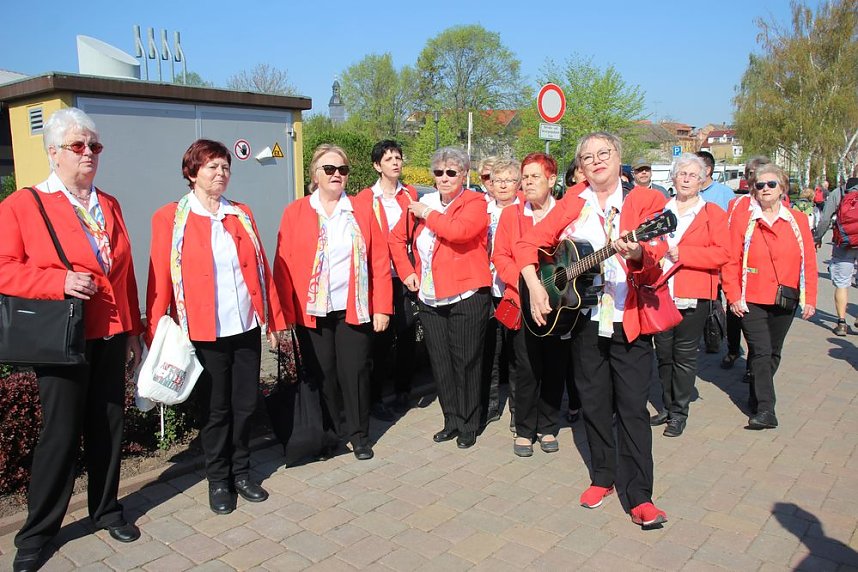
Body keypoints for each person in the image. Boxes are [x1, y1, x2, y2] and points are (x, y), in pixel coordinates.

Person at [0, 108, 143, 572]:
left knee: (108, 427)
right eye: (79, 146)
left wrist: (135, 330)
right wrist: (57, 282)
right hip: (62, 335)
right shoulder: (23, 205)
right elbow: (4, 268)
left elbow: (125, 272)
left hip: (111, 331)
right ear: (54, 152)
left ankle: (106, 510)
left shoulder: (110, 203)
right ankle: (37, 533)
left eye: (94, 146)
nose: (89, 154)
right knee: (59, 436)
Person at [516, 132, 669, 528]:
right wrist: (536, 287)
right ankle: (603, 476)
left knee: (632, 408)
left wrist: (637, 252)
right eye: (588, 157)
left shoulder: (646, 201)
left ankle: (640, 496)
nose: (597, 161)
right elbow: (529, 243)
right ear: (580, 167)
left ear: (620, 158)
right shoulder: (574, 202)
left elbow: (656, 257)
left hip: (628, 317)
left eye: (605, 153)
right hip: (584, 320)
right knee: (595, 404)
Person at [147, 139, 286, 515]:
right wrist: (154, 326)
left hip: (243, 325)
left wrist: (273, 318)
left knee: (244, 405)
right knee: (215, 409)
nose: (221, 173)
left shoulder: (240, 212)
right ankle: (218, 480)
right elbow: (159, 275)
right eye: (212, 166)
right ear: (192, 172)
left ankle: (242, 473)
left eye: (225, 166)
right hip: (202, 331)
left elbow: (260, 269)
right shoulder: (170, 217)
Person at [274, 144, 392, 461]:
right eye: (329, 169)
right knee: (322, 374)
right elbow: (281, 264)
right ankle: (330, 434)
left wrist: (381, 306)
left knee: (355, 373)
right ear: (315, 174)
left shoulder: (361, 211)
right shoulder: (296, 212)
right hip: (311, 312)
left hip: (353, 307)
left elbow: (380, 259)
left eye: (342, 169)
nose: (337, 174)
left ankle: (359, 435)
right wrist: (280, 316)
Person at [389, 147, 492, 449]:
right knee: (441, 362)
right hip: (430, 296)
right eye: (438, 172)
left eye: (451, 172)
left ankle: (469, 423)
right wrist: (407, 271)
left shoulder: (475, 201)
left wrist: (427, 214)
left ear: (464, 175)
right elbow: (396, 239)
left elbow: (459, 232)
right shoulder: (424, 203)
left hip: (466, 294)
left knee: (466, 361)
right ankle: (451, 420)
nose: (444, 178)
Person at [722, 163, 817, 429]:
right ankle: (766, 410)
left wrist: (810, 297)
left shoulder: (796, 220)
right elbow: (731, 259)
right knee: (760, 351)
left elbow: (808, 260)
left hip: (785, 297)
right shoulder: (744, 219)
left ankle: (757, 392)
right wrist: (733, 296)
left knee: (773, 352)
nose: (764, 189)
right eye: (759, 185)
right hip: (751, 296)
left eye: (770, 184)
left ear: (782, 188)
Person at [493, 153, 567, 457]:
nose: (528, 183)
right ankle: (524, 430)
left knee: (555, 367)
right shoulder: (513, 215)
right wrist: (527, 287)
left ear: (551, 180)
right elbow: (500, 257)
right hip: (522, 302)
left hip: (560, 306)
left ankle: (547, 426)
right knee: (525, 369)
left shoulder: (565, 214)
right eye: (525, 177)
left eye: (534, 177)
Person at [650, 154, 729, 437]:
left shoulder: (712, 214)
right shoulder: (659, 211)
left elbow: (723, 253)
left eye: (692, 175)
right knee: (663, 354)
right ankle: (668, 405)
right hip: (659, 292)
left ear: (701, 180)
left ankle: (679, 413)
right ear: (672, 178)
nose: (685, 178)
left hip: (693, 293)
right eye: (681, 173)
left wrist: (685, 254)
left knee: (684, 355)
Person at [355, 140, 418, 420]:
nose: (395, 162)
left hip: (405, 277)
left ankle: (404, 390)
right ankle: (375, 397)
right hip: (377, 278)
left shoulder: (410, 195)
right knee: (379, 341)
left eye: (398, 157)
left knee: (406, 335)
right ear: (376, 166)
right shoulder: (365, 199)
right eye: (389, 158)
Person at [721, 156, 771, 374]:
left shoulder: (776, 202)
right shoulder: (737, 203)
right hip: (738, 269)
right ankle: (733, 349)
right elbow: (728, 232)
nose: (754, 178)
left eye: (758, 173)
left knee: (757, 323)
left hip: (763, 274)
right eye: (750, 173)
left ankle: (753, 364)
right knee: (734, 314)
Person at [483, 158, 520, 427]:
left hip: (514, 291)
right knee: (490, 351)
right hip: (487, 290)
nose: (503, 185)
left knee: (517, 353)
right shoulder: (482, 211)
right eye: (498, 180)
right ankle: (491, 404)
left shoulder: (523, 211)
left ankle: (519, 410)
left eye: (509, 180)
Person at [814, 169, 858, 336]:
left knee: (842, 283)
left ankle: (841, 323)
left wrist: (817, 237)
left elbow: (825, 219)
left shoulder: (839, 192)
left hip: (844, 244)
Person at [561, 159, 585, 424]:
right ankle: (575, 402)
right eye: (579, 169)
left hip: (593, 287)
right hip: (567, 287)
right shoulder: (565, 203)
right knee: (570, 351)